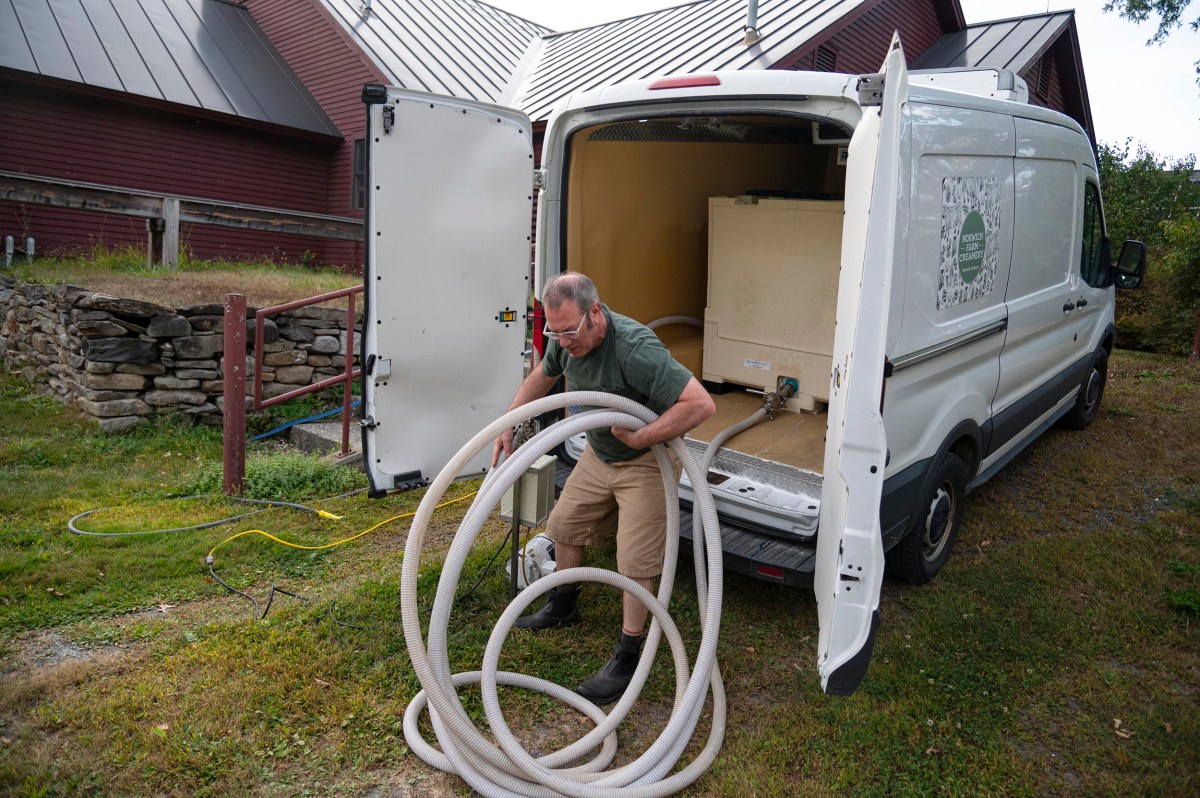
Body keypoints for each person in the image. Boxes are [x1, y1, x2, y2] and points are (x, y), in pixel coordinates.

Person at [492, 272, 715, 704]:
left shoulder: (635, 350)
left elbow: (701, 404)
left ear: (596, 312)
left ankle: (628, 654)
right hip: (601, 452)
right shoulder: (564, 336)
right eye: (554, 332)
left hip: (647, 459)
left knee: (634, 560)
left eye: (570, 331)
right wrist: (511, 421)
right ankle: (564, 604)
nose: (563, 341)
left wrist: (642, 437)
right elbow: (543, 375)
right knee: (565, 525)